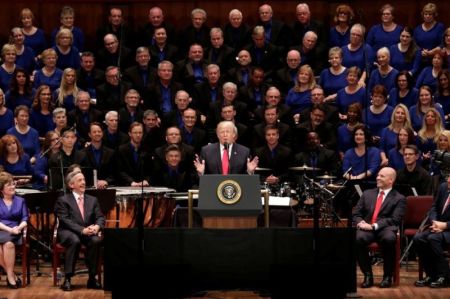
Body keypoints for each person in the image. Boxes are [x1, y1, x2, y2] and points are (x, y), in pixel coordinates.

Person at [353, 167, 406, 288]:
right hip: (366, 227)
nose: (377, 178)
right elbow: (356, 213)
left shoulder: (399, 198)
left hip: (385, 228)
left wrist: (374, 226)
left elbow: (395, 219)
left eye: (382, 176)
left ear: (390, 180)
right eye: (378, 175)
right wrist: (360, 222)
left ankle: (387, 276)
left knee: (389, 239)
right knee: (358, 238)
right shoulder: (367, 194)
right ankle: (368, 275)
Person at [54, 169, 104, 291]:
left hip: (88, 231)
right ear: (71, 185)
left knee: (96, 241)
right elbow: (65, 221)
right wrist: (82, 230)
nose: (83, 182)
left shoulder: (93, 200)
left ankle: (92, 278)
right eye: (79, 180)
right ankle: (68, 278)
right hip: (68, 231)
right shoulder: (63, 200)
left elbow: (100, 217)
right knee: (74, 240)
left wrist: (97, 226)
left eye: (84, 179)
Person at [413, 175, 450, 288]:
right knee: (418, 238)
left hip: (447, 229)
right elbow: (433, 207)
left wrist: (445, 225)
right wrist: (434, 222)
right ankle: (431, 275)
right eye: (449, 176)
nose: (448, 179)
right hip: (437, 226)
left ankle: (444, 276)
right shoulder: (443, 187)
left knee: (433, 238)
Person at [194, 121, 258, 175]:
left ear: (233, 134)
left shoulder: (244, 151)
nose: (225, 135)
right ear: (217, 135)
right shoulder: (206, 151)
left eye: (228, 132)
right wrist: (201, 173)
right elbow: (200, 177)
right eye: (222, 132)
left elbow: (246, 178)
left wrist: (249, 171)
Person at [0, 171, 28, 289]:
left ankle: (10, 275)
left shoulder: (20, 200)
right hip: (2, 228)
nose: (13, 186)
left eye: (13, 184)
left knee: (9, 244)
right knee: (5, 244)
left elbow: (25, 218)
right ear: (1, 189)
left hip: (16, 230)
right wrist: (9, 229)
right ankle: (11, 276)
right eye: (9, 185)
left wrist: (19, 227)